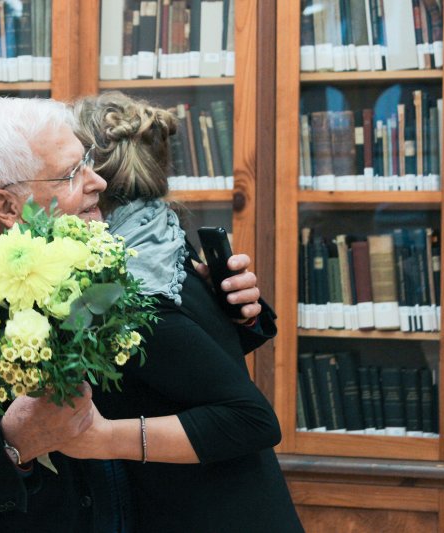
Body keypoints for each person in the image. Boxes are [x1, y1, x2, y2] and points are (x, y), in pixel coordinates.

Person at [0, 96, 269, 533]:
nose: (98, 182)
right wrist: (11, 442)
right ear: (7, 207)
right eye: (73, 173)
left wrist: (234, 314)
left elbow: (168, 372)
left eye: (88, 160)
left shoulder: (103, 275)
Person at [61, 91, 304, 532]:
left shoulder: (130, 287)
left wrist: (101, 438)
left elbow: (253, 419)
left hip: (209, 513)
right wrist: (243, 318)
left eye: (66, 169)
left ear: (93, 179)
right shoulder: (156, 232)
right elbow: (184, 363)